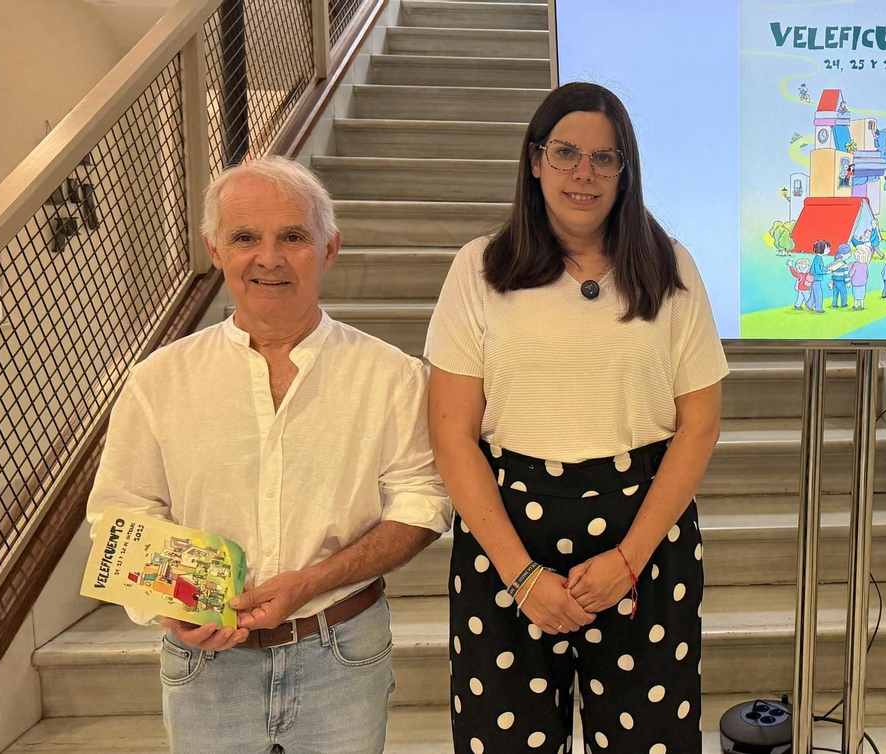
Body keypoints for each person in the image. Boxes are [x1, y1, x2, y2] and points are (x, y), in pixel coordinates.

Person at [85, 156, 451, 754]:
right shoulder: (159, 380)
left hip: (343, 651)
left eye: (293, 237)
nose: (270, 258)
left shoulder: (392, 376)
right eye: (246, 237)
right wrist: (168, 605)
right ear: (214, 249)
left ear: (329, 248)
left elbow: (424, 502)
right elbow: (119, 516)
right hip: (205, 666)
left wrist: (313, 581)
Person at [426, 82, 728, 754]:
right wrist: (521, 574)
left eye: (605, 158)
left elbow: (700, 423)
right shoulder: (479, 270)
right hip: (509, 541)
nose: (583, 175)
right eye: (565, 154)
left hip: (644, 538)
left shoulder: (669, 267)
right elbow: (451, 432)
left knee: (649, 741)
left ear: (627, 171)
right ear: (535, 161)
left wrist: (629, 558)